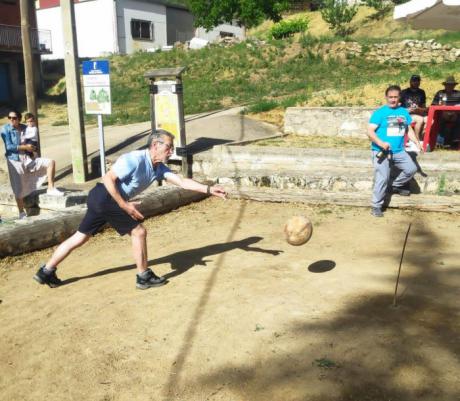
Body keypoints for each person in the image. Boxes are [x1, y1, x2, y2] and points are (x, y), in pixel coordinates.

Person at [33, 129, 227, 290]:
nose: (171, 152)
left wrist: (208, 189)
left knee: (80, 237)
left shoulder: (158, 167)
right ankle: (143, 276)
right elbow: (109, 179)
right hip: (105, 196)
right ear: (155, 145)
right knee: (139, 232)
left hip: (102, 199)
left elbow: (183, 182)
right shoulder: (134, 159)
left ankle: (46, 271)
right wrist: (124, 205)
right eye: (168, 147)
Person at [367, 85, 422, 218]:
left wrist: (416, 142)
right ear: (386, 97)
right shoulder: (380, 113)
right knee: (382, 178)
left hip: (398, 151)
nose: (393, 99)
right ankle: (376, 206)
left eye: (395, 97)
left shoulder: (403, 112)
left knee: (411, 169)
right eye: (390, 97)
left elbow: (408, 129)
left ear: (399, 98)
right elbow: (370, 131)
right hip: (381, 151)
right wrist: (381, 143)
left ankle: (394, 185)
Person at [1, 110, 63, 219]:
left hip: (28, 158)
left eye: (14, 118)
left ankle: (50, 188)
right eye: (9, 117)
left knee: (50, 162)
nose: (11, 120)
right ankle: (21, 213)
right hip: (15, 161)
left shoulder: (26, 128)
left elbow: (33, 142)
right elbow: (9, 147)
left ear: (19, 119)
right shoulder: (5, 129)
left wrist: (33, 149)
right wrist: (25, 147)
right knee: (18, 188)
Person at [431, 75, 460, 148]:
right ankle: (439, 142)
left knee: (458, 119)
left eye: (451, 85)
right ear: (445, 85)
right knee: (440, 119)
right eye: (448, 85)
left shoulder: (458, 93)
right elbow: (433, 105)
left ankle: (455, 141)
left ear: (454, 85)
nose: (450, 86)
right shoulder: (440, 93)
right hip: (442, 113)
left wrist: (455, 112)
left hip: (456, 114)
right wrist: (443, 111)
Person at [400, 74, 427, 141]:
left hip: (419, 113)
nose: (416, 82)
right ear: (410, 82)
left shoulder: (422, 92)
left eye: (418, 81)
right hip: (407, 114)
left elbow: (424, 107)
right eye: (414, 81)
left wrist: (419, 109)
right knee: (420, 119)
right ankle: (416, 140)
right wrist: (407, 110)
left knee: (430, 120)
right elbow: (397, 107)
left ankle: (425, 139)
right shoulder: (404, 92)